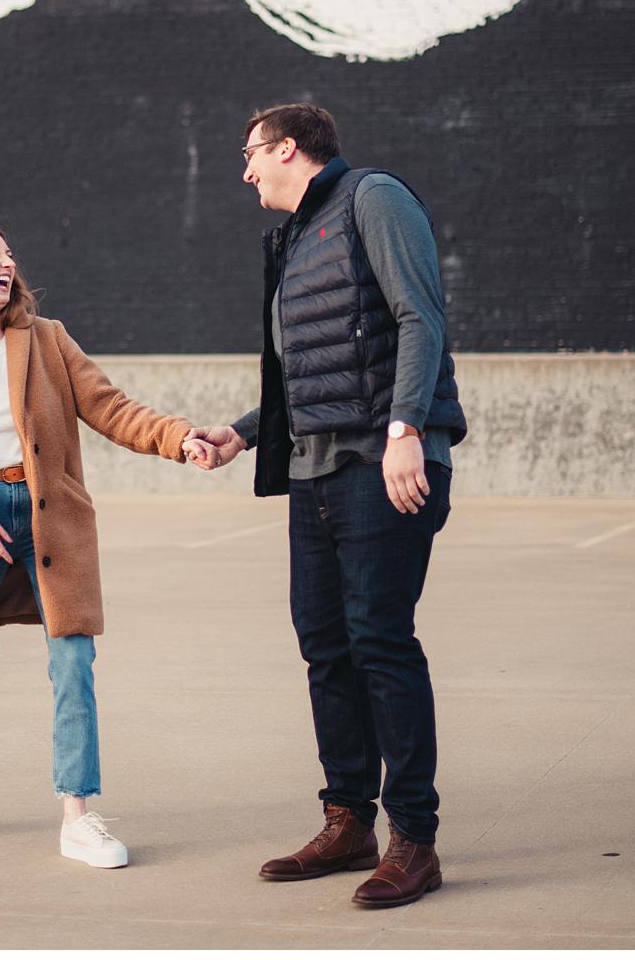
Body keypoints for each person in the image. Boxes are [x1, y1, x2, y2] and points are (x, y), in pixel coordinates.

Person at [188, 103, 466, 908]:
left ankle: (416, 839)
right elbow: (308, 372)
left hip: (382, 464)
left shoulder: (373, 198)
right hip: (312, 470)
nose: (244, 172)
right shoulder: (292, 236)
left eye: (250, 155)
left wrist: (406, 430)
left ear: (288, 148)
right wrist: (244, 434)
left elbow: (421, 318)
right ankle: (349, 821)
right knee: (325, 645)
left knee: (381, 641)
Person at [0, 224, 212, 868]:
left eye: (9, 255)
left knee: (73, 665)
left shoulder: (46, 339)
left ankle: (77, 816)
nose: (8, 262)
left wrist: (179, 437)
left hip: (52, 517)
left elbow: (112, 407)